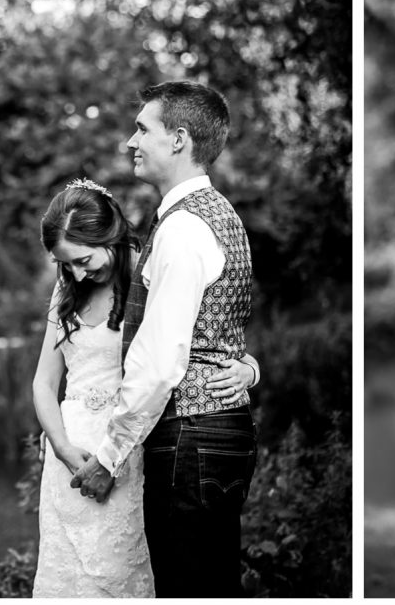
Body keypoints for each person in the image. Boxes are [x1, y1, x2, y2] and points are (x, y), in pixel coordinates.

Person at [72, 81, 262, 597]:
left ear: (178, 139)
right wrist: (250, 368)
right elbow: (219, 329)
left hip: (190, 437)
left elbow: (161, 360)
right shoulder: (219, 216)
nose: (129, 142)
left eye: (142, 129)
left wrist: (109, 457)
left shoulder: (183, 229)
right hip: (217, 430)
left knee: (188, 588)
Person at [29, 179, 156, 597]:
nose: (76, 273)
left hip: (123, 453)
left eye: (82, 259)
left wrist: (246, 365)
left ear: (111, 235)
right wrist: (62, 448)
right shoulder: (68, 287)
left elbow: (173, 362)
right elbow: (44, 383)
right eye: (65, 264)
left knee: (115, 577)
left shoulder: (148, 276)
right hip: (65, 458)